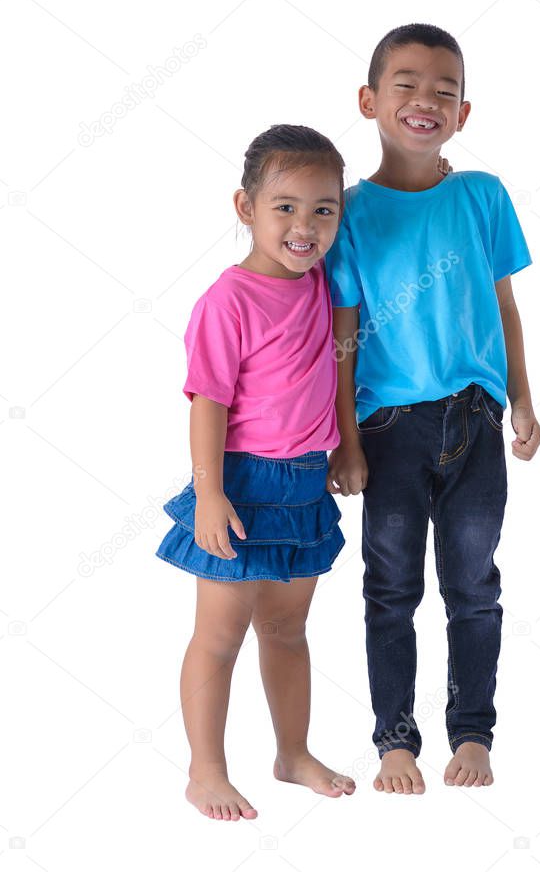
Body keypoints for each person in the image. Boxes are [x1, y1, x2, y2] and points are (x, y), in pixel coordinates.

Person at [324, 23, 540, 795]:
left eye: (444, 91)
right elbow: (344, 339)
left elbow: (503, 305)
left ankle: (472, 734)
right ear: (369, 100)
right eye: (406, 85)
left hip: (475, 420)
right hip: (388, 431)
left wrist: (520, 398)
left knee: (473, 585)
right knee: (388, 588)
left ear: (463, 112)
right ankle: (394, 742)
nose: (426, 101)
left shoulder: (482, 196)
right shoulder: (345, 213)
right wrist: (345, 440)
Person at [156, 124, 356, 821]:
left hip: (303, 484)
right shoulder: (228, 299)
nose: (304, 226)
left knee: (286, 629)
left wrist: (344, 447)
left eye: (322, 210)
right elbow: (207, 401)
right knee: (219, 633)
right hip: (241, 482)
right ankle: (204, 769)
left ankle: (291, 752)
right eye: (285, 207)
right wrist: (209, 492)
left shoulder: (324, 279)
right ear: (245, 207)